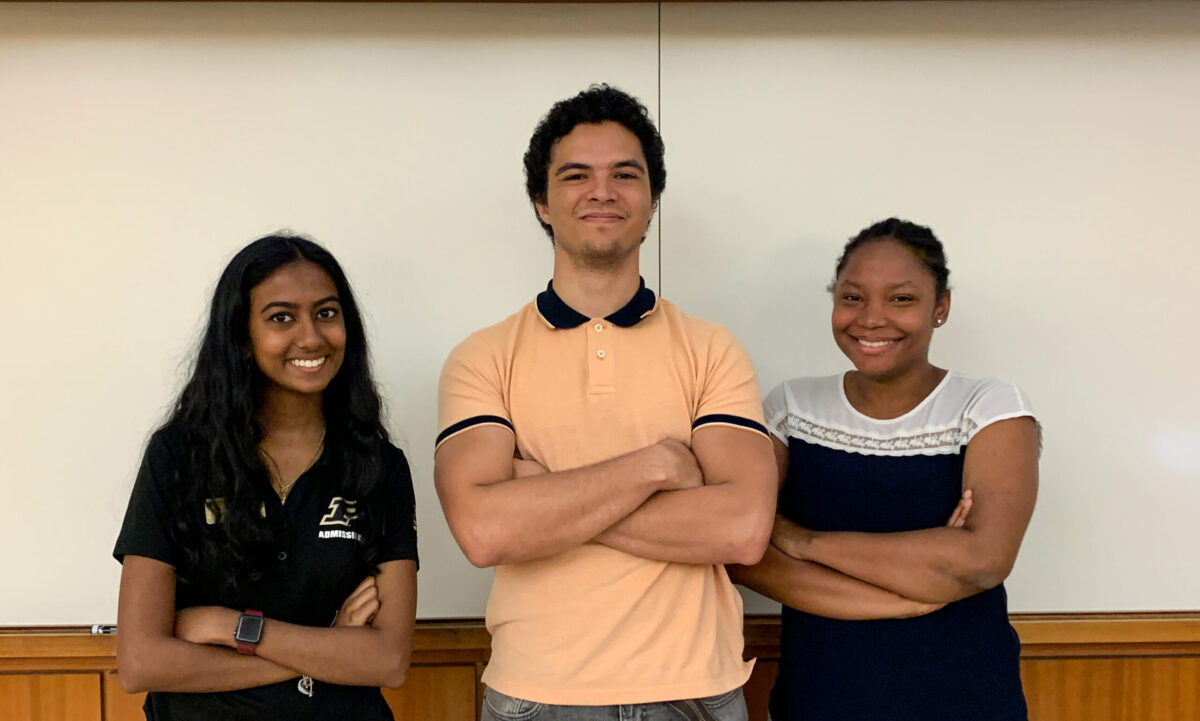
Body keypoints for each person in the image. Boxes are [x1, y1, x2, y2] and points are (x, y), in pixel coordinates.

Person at [434, 84, 777, 720]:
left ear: (651, 200)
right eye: (575, 175)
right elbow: (484, 532)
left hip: (696, 695)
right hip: (537, 697)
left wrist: (545, 498)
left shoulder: (711, 348)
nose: (602, 191)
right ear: (542, 201)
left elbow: (742, 529)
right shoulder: (482, 357)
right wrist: (654, 469)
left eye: (625, 174)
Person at [730, 218, 1038, 720]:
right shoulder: (791, 407)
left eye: (901, 299)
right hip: (819, 696)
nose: (871, 319)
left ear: (941, 308)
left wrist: (803, 541)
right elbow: (742, 552)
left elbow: (981, 559)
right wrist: (914, 592)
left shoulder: (988, 407)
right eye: (852, 298)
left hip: (964, 698)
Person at [113, 234, 418, 720]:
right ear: (241, 333)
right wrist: (330, 650)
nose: (311, 337)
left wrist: (232, 627)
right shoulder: (178, 456)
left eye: (326, 313)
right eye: (281, 317)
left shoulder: (379, 466)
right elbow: (141, 663)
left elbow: (387, 661)